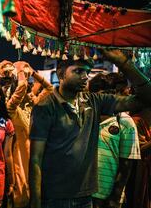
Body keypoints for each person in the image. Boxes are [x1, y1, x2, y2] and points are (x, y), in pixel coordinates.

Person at [29, 50, 151, 208]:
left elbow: (146, 98)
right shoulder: (45, 107)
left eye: (87, 72)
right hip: (54, 197)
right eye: (78, 71)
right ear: (60, 74)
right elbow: (35, 159)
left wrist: (124, 64)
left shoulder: (94, 101)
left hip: (86, 197)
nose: (85, 77)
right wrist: (35, 201)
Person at [0, 60, 53, 208]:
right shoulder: (11, 109)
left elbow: (50, 88)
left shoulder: (33, 107)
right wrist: (21, 70)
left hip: (36, 157)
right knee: (21, 197)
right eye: (27, 87)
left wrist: (33, 73)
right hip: (20, 158)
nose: (29, 89)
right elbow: (21, 86)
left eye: (30, 87)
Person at [88, 73, 141, 208]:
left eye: (109, 93)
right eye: (101, 95)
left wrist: (115, 198)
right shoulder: (86, 117)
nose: (106, 98)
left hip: (108, 197)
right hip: (84, 194)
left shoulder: (124, 122)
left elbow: (127, 164)